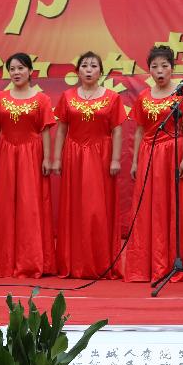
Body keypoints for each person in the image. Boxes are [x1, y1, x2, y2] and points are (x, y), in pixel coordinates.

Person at [51, 51, 126, 279]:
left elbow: (117, 130)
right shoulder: (67, 96)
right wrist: (56, 158)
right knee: (75, 209)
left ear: (101, 71)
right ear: (78, 71)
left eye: (94, 66)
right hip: (74, 155)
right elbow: (62, 129)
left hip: (101, 156)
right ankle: (74, 262)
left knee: (96, 209)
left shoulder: (112, 97)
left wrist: (115, 159)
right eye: (84, 65)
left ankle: (100, 262)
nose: (89, 69)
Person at [124, 46, 183, 283]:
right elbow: (139, 130)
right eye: (155, 67)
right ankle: (147, 264)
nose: (160, 71)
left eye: (164, 66)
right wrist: (135, 160)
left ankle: (173, 261)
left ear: (172, 68)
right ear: (149, 70)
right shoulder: (144, 96)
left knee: (172, 206)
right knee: (149, 207)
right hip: (149, 154)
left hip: (174, 152)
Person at [0, 52, 56, 278]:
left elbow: (45, 130)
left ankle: (31, 260)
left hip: (31, 153)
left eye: (21, 68)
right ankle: (4, 261)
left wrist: (47, 158)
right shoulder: (0, 98)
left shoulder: (42, 99)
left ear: (30, 71)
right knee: (6, 204)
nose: (16, 72)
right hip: (6, 152)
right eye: (12, 69)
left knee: (30, 205)